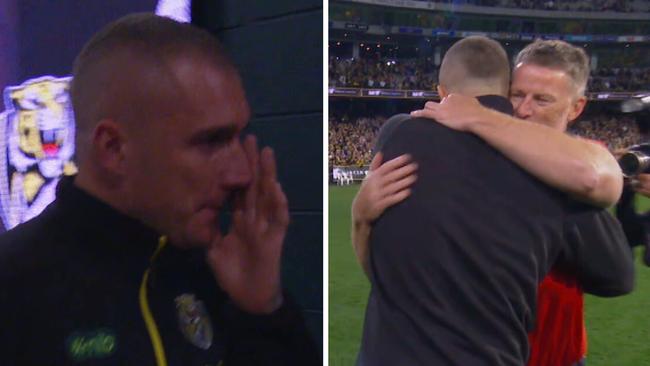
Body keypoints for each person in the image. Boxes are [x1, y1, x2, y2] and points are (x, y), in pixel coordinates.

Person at [0, 14, 319, 365]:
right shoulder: (15, 290)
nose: (242, 173)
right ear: (114, 149)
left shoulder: (213, 275)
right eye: (212, 141)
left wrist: (263, 312)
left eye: (238, 136)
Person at [354, 36, 633, 366]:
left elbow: (616, 272)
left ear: (576, 107)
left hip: (550, 355)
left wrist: (476, 116)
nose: (524, 109)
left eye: (542, 100)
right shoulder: (428, 141)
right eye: (516, 95)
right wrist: (361, 216)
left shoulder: (565, 177)